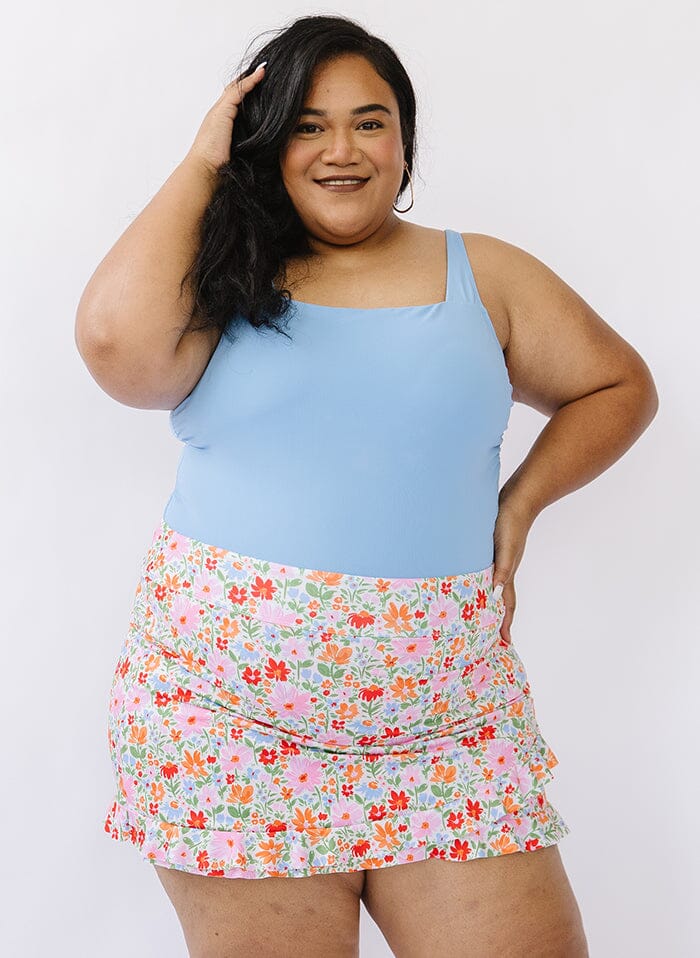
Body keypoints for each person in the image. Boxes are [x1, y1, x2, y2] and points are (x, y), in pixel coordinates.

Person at [75, 13, 657, 958]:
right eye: (306, 124)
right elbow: (115, 354)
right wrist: (201, 166)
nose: (341, 149)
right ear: (264, 143)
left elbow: (616, 385)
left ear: (405, 140)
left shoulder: (488, 274)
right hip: (228, 728)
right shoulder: (219, 281)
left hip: (448, 727)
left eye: (369, 121)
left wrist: (519, 504)